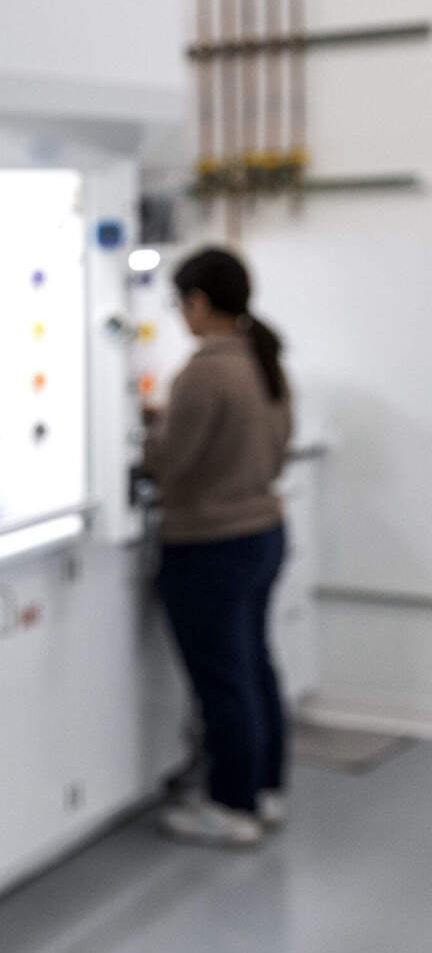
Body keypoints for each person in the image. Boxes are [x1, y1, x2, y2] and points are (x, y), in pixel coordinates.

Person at [145, 246, 292, 849]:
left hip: (210, 546)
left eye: (180, 303)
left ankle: (231, 807)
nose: (180, 315)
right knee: (254, 667)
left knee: (223, 680)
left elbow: (171, 464)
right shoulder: (265, 360)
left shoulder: (205, 370)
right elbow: (277, 448)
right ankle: (262, 789)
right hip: (263, 531)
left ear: (199, 303)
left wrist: (153, 435)